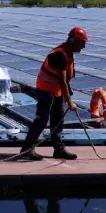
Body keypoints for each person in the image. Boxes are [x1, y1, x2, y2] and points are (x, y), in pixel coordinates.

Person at [20, 27, 88, 160]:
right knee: (42, 119)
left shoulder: (68, 53)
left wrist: (65, 96)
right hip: (46, 89)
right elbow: (62, 80)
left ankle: (59, 150)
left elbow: (65, 81)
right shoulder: (60, 54)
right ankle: (27, 149)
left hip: (56, 91)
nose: (83, 47)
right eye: (82, 43)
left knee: (58, 119)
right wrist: (69, 101)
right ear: (73, 41)